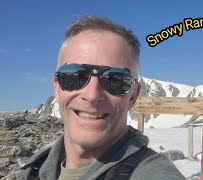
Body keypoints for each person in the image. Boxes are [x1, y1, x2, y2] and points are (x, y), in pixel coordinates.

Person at [20, 16, 186, 180]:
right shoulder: (34, 169)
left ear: (133, 96)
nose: (92, 95)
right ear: (57, 87)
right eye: (74, 76)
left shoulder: (151, 173)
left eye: (115, 80)